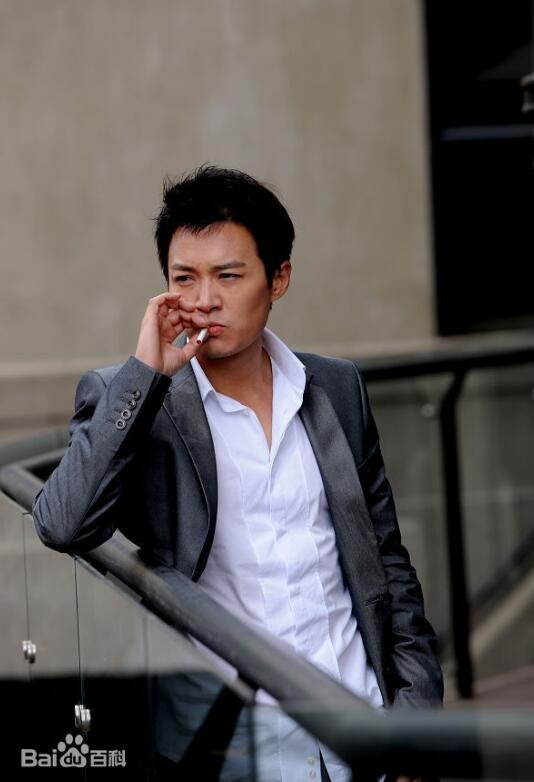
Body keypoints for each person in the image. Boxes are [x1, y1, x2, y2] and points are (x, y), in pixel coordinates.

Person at [33, 165, 443, 782]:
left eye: (228, 276)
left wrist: (415, 718)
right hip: (233, 748)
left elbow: (386, 564)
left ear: (278, 279)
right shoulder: (141, 399)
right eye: (184, 278)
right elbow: (63, 524)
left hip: (364, 725)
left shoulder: (335, 387)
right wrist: (145, 376)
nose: (203, 300)